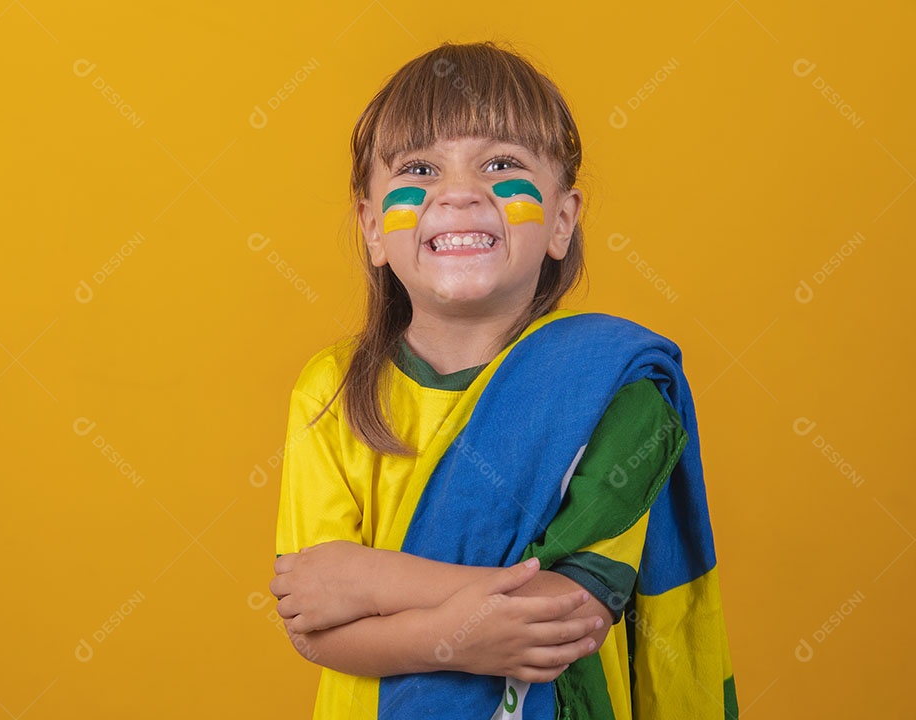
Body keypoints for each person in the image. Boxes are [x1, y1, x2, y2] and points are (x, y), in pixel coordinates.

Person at [270, 40, 738, 719]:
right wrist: (470, 631)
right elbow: (314, 622)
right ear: (373, 229)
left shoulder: (619, 389)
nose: (459, 193)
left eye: (501, 164)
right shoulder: (331, 391)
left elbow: (567, 613)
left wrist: (364, 577)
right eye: (421, 168)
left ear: (561, 220)